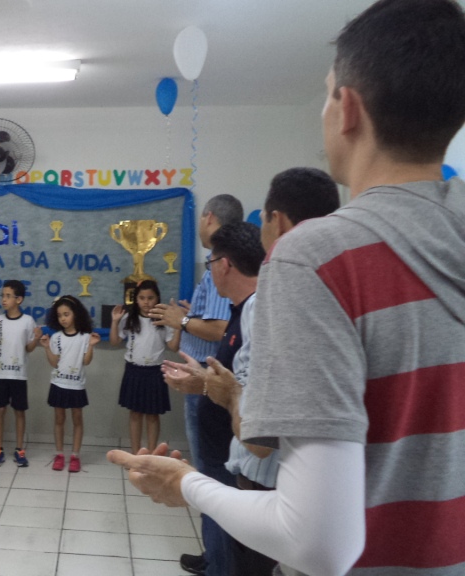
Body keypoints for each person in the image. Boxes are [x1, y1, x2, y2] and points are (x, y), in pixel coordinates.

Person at [109, 1, 465, 574]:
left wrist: (188, 484)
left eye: (326, 95)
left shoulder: (316, 256)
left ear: (348, 109)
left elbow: (318, 540)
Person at [161, 167, 340, 576]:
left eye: (211, 263)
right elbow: (241, 378)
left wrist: (225, 394)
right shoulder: (255, 307)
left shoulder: (263, 309)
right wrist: (203, 382)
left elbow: (258, 434)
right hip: (256, 469)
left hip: (266, 475)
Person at [162, 223, 265, 576]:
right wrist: (202, 380)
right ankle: (215, 563)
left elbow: (244, 393)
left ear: (224, 265)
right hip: (226, 442)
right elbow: (231, 378)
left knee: (226, 515)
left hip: (241, 449)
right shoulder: (240, 309)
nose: (209, 272)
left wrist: (209, 386)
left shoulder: (256, 311)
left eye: (210, 264)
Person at [148, 193, 241, 575]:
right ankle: (213, 555)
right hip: (203, 380)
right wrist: (191, 316)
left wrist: (182, 321)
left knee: (213, 473)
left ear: (209, 218)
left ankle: (220, 562)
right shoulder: (219, 263)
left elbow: (221, 329)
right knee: (208, 470)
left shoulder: (223, 263)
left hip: (208, 383)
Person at [110, 279, 180, 453]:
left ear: (157, 298)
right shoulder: (129, 318)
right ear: (136, 299)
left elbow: (173, 347)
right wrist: (114, 321)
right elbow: (114, 341)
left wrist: (178, 326)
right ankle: (136, 454)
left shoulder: (163, 319)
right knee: (135, 414)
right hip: (134, 370)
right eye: (142, 298)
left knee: (153, 415)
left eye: (150, 298)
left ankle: (151, 454)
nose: (146, 302)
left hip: (155, 371)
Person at [39, 295, 100, 473]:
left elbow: (86, 361)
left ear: (76, 314)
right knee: (59, 419)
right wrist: (47, 348)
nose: (63, 319)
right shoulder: (56, 337)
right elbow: (54, 363)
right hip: (58, 384)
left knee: (77, 420)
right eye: (59, 315)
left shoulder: (84, 337)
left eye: (66, 314)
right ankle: (59, 454)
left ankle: (75, 456)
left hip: (76, 386)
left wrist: (91, 345)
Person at [0, 280, 42, 467]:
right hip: (1, 374)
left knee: (19, 411)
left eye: (8, 296)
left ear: (19, 299)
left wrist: (36, 339)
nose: (4, 299)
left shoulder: (28, 321)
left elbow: (29, 348)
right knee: (0, 410)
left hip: (19, 375)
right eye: (3, 295)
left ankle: (19, 449)